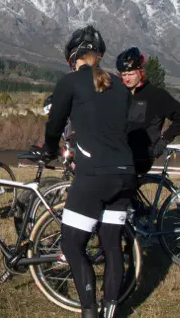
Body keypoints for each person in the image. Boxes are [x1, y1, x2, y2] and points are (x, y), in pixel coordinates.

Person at [41, 26, 136, 318]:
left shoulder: (70, 83)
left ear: (73, 58)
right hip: (125, 173)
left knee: (72, 243)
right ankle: (110, 312)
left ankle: (89, 313)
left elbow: (54, 125)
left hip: (95, 174)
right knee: (111, 244)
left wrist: (47, 152)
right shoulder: (120, 85)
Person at [116, 47, 180, 174]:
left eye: (131, 74)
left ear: (140, 72)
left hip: (141, 156)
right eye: (124, 75)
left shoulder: (156, 95)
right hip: (119, 153)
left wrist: (163, 141)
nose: (127, 79)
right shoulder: (119, 94)